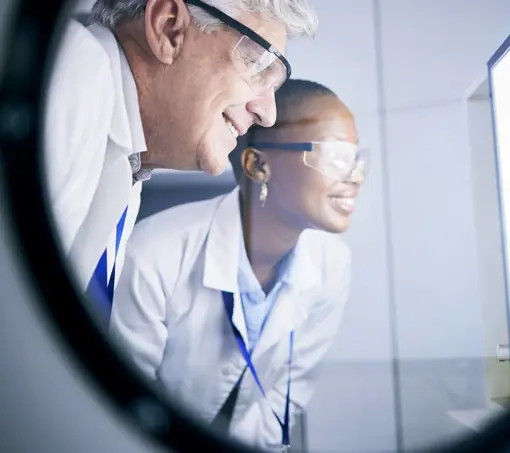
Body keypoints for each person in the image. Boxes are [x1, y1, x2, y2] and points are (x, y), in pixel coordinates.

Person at [108, 79, 367, 450]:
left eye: (356, 158)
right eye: (336, 156)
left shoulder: (333, 263)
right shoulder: (151, 255)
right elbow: (120, 406)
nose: (355, 175)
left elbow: (281, 401)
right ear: (258, 165)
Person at [43, 0, 317, 317]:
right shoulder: (75, 72)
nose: (268, 114)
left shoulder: (127, 165)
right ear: (168, 28)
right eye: (257, 64)